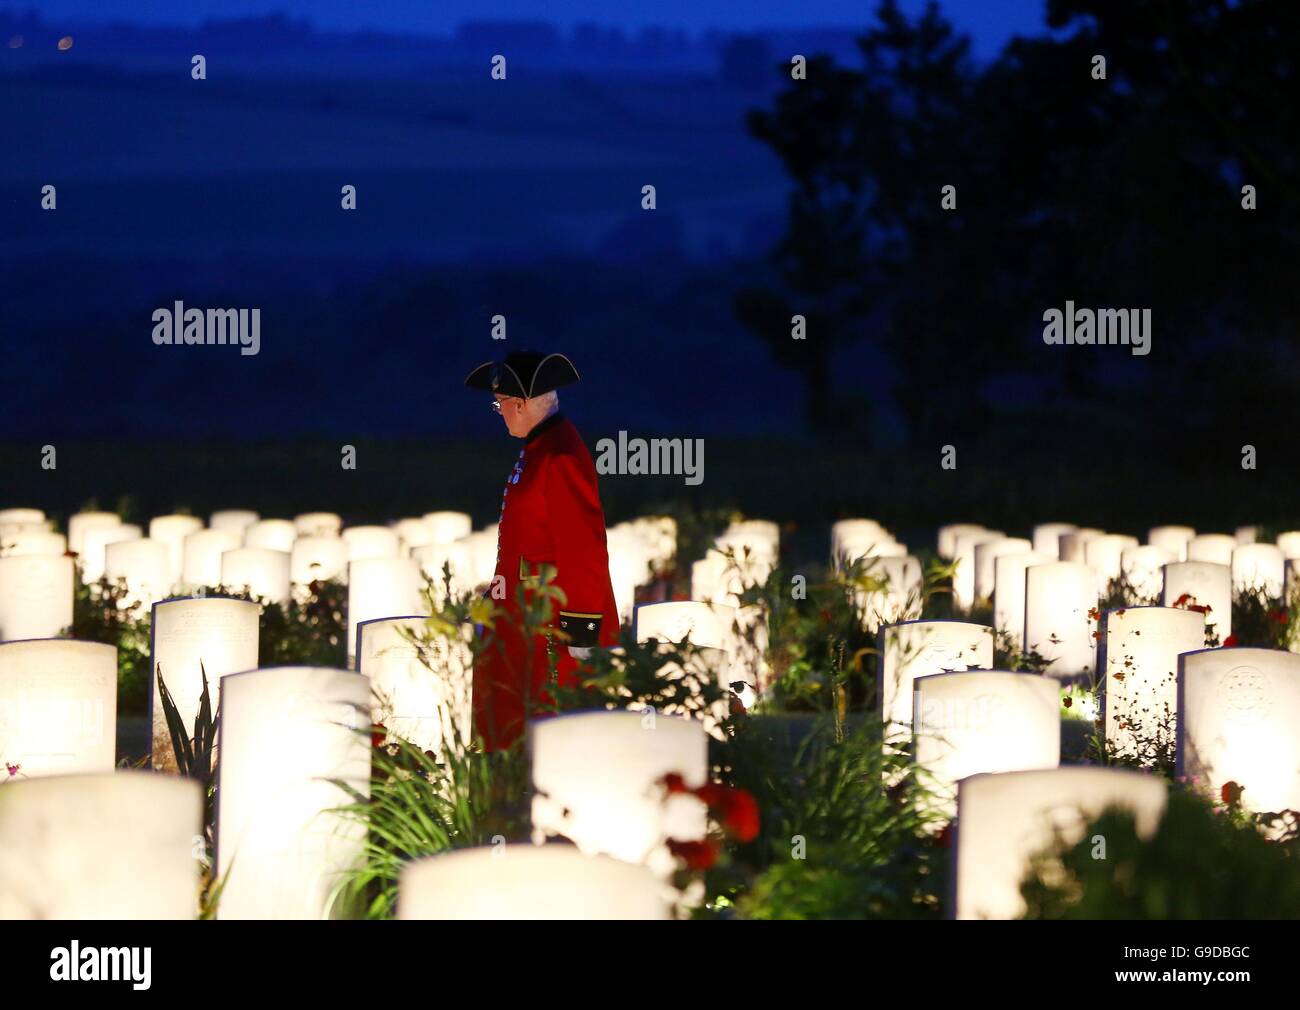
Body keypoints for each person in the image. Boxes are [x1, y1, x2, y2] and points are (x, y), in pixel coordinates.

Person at [463, 350, 620, 749]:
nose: (498, 412)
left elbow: (582, 548)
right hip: (522, 618)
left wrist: (581, 631)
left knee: (549, 728)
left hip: (553, 626)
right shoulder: (541, 449)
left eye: (499, 404)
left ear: (520, 404)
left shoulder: (561, 455)